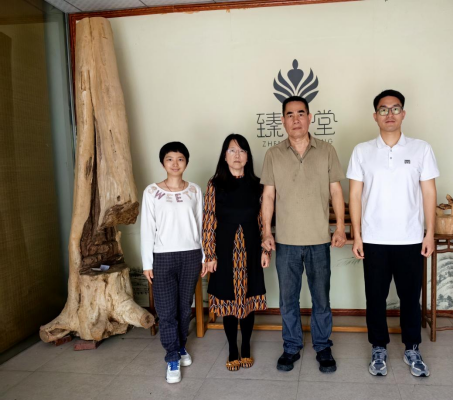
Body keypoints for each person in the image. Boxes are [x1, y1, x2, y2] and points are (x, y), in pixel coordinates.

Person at [347, 90, 439, 378]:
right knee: (375, 297)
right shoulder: (362, 151)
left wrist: (429, 233)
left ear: (403, 114)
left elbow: (429, 192)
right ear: (375, 116)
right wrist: (357, 235)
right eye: (384, 109)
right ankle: (378, 348)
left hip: (410, 238)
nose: (390, 114)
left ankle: (412, 348)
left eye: (395, 108)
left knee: (410, 297)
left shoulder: (421, 149)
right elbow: (355, 195)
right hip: (374, 239)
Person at [261, 96, 347, 374]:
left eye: (301, 113)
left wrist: (340, 227)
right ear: (283, 120)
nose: (295, 119)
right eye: (290, 114)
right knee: (288, 300)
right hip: (285, 241)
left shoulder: (326, 150)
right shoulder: (273, 154)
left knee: (321, 298)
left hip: (319, 240)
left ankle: (322, 346)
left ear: (310, 118)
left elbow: (336, 191)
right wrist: (266, 232)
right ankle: (291, 346)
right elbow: (268, 196)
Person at [203, 134, 271, 372]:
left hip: (251, 248)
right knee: (228, 300)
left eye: (242, 151)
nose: (237, 155)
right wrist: (210, 255)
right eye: (232, 150)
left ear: (248, 156)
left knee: (248, 299)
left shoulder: (258, 185)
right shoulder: (215, 184)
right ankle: (232, 347)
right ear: (224, 156)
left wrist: (265, 250)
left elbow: (263, 222)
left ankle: (246, 346)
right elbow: (209, 221)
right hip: (224, 250)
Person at [141, 142, 207, 384]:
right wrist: (147, 263)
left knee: (184, 307)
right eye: (170, 159)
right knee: (166, 310)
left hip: (191, 255)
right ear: (163, 163)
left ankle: (180, 346)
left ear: (186, 162)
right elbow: (147, 228)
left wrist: (204, 256)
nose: (175, 163)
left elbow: (201, 225)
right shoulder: (151, 192)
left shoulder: (195, 191)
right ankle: (171, 357)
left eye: (180, 159)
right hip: (162, 257)